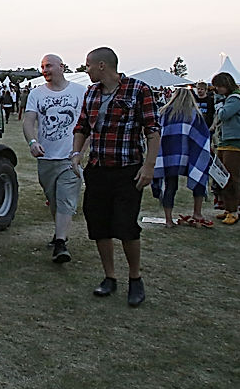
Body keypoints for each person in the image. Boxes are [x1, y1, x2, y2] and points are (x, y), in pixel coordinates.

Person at [71, 47, 161, 307]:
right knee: (99, 225)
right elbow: (83, 127)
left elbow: (152, 131)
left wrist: (149, 167)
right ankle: (109, 277)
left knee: (126, 226)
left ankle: (135, 278)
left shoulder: (138, 90)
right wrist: (76, 153)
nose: (85, 70)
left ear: (102, 66)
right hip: (98, 169)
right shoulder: (91, 93)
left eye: (87, 65)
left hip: (127, 170)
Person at [22, 54, 82, 263]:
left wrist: (80, 151)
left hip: (69, 158)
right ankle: (59, 234)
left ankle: (60, 244)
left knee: (66, 199)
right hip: (46, 158)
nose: (45, 70)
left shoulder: (79, 92)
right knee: (54, 200)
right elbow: (28, 121)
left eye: (49, 66)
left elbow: (89, 124)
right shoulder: (36, 94)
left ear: (62, 67)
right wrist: (32, 142)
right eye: (42, 67)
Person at [150, 87, 213, 228]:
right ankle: (197, 213)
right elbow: (202, 137)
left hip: (170, 156)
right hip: (190, 155)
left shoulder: (164, 113)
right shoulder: (194, 114)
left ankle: (168, 220)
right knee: (198, 181)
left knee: (170, 186)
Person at [210, 72, 240, 226]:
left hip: (235, 143)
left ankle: (234, 211)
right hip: (225, 141)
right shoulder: (229, 99)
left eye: (219, 86)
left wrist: (219, 106)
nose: (217, 89)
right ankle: (228, 208)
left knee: (231, 177)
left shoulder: (235, 99)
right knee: (222, 176)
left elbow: (224, 115)